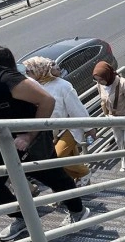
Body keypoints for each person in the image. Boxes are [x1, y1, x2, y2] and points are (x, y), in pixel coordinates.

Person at [0, 46, 90, 242]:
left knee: (52, 176)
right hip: (4, 142)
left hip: (30, 139)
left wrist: (29, 135)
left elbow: (47, 100)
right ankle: (24, 218)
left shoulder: (8, 79)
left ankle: (78, 211)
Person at [22, 57, 94, 187]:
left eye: (30, 71)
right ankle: (73, 186)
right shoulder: (34, 86)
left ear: (40, 71)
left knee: (58, 157)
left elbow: (76, 108)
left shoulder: (63, 86)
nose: (27, 75)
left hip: (69, 127)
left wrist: (89, 128)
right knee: (67, 159)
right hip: (51, 131)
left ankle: (84, 173)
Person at [93, 61, 125, 172]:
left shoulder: (123, 83)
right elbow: (103, 101)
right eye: (97, 80)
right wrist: (107, 114)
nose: (99, 82)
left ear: (107, 75)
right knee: (120, 142)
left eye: (101, 79)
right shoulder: (100, 85)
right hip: (114, 119)